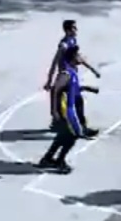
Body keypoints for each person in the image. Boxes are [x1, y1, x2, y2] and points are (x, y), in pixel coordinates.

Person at [37, 45, 94, 174]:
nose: (81, 57)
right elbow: (55, 90)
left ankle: (47, 159)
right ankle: (59, 161)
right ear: (73, 57)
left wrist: (86, 88)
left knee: (63, 136)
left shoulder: (72, 71)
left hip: (69, 108)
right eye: (78, 55)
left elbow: (70, 89)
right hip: (65, 110)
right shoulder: (66, 73)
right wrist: (54, 111)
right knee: (72, 136)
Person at [44, 19, 101, 137]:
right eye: (74, 28)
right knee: (70, 102)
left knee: (76, 102)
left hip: (70, 75)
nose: (76, 30)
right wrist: (49, 80)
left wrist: (92, 69)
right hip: (65, 77)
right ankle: (75, 127)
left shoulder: (73, 41)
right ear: (68, 30)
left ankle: (76, 126)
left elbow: (79, 57)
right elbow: (54, 63)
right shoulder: (63, 45)